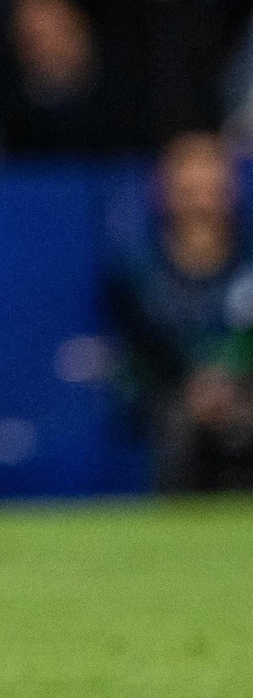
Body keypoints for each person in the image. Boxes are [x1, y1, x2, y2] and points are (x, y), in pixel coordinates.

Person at [107, 130, 253, 491]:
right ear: (165, 191)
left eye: (210, 187)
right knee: (176, 425)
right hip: (172, 407)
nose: (200, 201)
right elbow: (139, 353)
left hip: (246, 397)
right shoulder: (137, 274)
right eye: (189, 189)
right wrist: (191, 388)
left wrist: (235, 392)